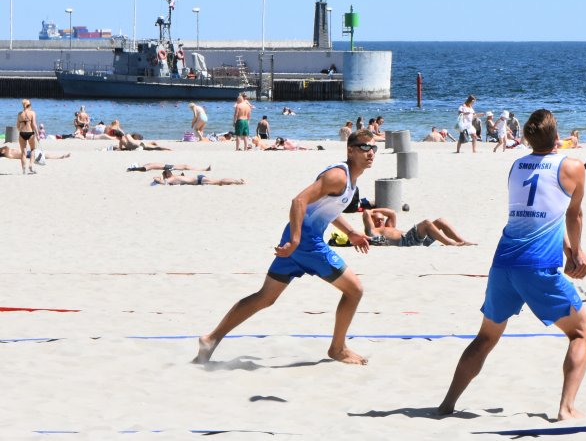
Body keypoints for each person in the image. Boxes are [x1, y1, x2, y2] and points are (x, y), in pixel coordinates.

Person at [438, 109, 586, 421]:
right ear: (556, 135)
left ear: (526, 137)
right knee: (581, 334)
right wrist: (576, 252)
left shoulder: (516, 166)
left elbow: (543, 211)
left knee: (485, 339)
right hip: (536, 266)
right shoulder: (572, 166)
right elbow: (572, 215)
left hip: (503, 263)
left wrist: (568, 249)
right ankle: (566, 408)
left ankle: (446, 404)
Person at [194, 130, 377, 365]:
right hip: (307, 243)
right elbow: (298, 201)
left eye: (373, 148)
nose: (370, 152)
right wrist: (297, 240)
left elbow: (326, 209)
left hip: (296, 240)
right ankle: (338, 349)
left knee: (265, 297)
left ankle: (210, 339)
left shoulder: (351, 180)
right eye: (364, 147)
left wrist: (350, 232)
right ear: (350, 150)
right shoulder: (338, 176)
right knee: (355, 290)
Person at [362, 207, 474, 246]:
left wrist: (375, 211)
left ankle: (462, 241)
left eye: (382, 219)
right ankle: (450, 243)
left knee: (440, 221)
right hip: (406, 242)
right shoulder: (372, 231)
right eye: (378, 220)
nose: (381, 221)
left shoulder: (389, 226)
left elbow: (392, 213)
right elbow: (366, 212)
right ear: (372, 221)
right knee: (426, 223)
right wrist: (371, 212)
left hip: (416, 240)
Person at [16, 99, 38, 175]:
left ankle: (24, 169)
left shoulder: (19, 114)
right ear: (29, 105)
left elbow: (18, 126)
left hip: (22, 134)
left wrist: (21, 130)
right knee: (32, 150)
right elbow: (34, 124)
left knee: (23, 152)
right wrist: (38, 134)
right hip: (30, 133)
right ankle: (31, 166)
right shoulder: (32, 113)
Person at [153, 169, 244, 186]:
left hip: (199, 180)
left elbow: (163, 183)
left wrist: (157, 179)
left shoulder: (172, 178)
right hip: (199, 178)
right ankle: (236, 181)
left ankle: (237, 181)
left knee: (219, 181)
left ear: (166, 175)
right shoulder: (176, 176)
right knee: (218, 181)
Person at [0, 145, 70, 161]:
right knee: (45, 155)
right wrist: (2, 149)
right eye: (2, 150)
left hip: (28, 152)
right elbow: (6, 147)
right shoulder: (8, 154)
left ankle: (61, 156)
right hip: (28, 154)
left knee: (45, 154)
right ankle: (61, 157)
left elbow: (6, 147)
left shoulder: (8, 152)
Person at [127, 162, 211, 172]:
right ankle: (203, 169)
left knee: (185, 166)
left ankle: (203, 169)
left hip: (167, 166)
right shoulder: (146, 167)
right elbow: (142, 169)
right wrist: (133, 169)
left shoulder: (146, 165)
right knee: (185, 166)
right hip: (167, 167)